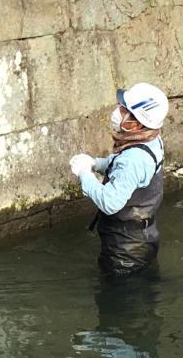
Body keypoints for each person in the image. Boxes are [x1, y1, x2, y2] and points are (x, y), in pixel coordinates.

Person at [70, 83, 169, 276]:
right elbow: (122, 166)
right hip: (143, 237)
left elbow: (110, 202)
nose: (118, 112)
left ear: (139, 123)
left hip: (125, 249)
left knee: (120, 296)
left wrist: (84, 174)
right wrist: (95, 163)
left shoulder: (134, 160)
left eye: (124, 110)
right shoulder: (151, 140)